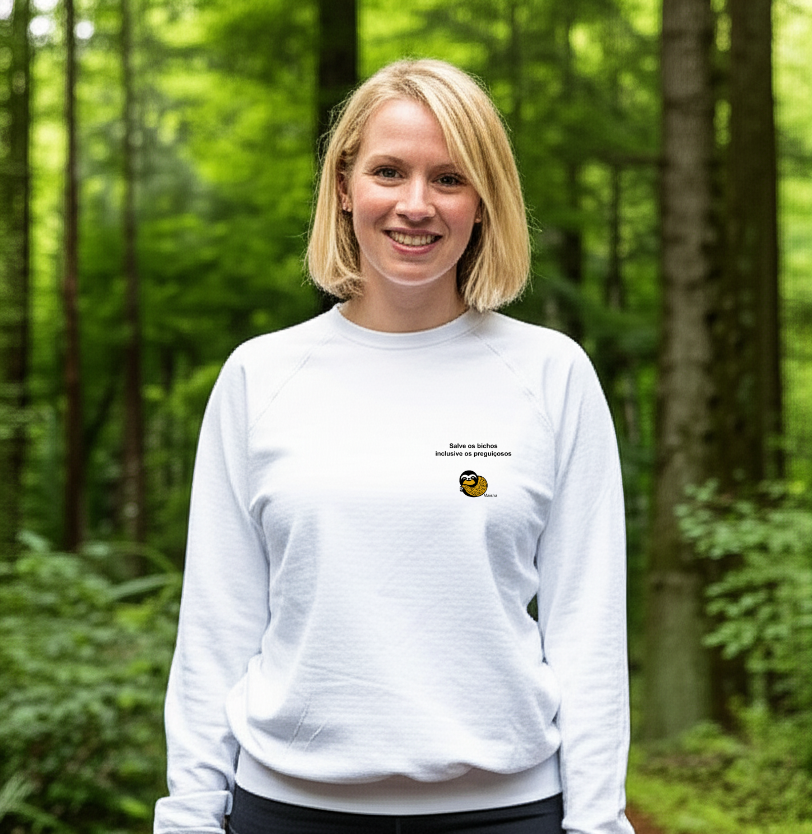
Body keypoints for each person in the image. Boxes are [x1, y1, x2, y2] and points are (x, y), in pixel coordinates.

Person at [154, 58, 635, 834]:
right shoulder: (259, 376)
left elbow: (588, 630)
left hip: (506, 814)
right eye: (388, 171)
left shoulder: (553, 373)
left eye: (449, 178)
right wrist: (188, 817)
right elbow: (218, 626)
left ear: (484, 201)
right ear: (345, 187)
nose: (416, 204)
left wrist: (598, 822)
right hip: (289, 812)